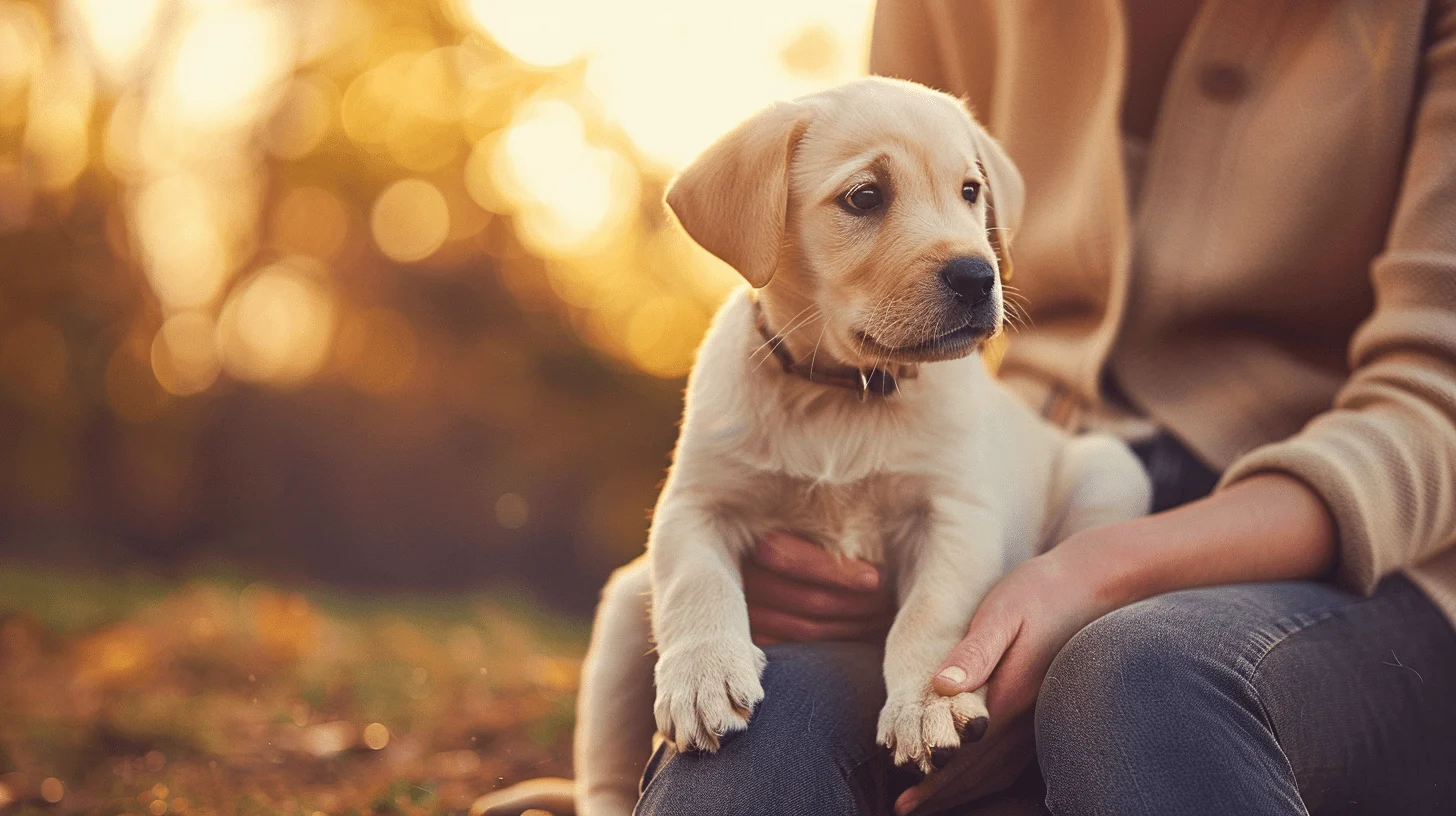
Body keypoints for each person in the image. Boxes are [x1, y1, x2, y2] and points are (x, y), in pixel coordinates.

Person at [635, 1, 1456, 813]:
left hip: (1339, 548)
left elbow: (1437, 404)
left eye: (969, 197)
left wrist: (1087, 571)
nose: (974, 253)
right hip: (1011, 496)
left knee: (1136, 680)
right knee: (761, 735)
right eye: (867, 199)